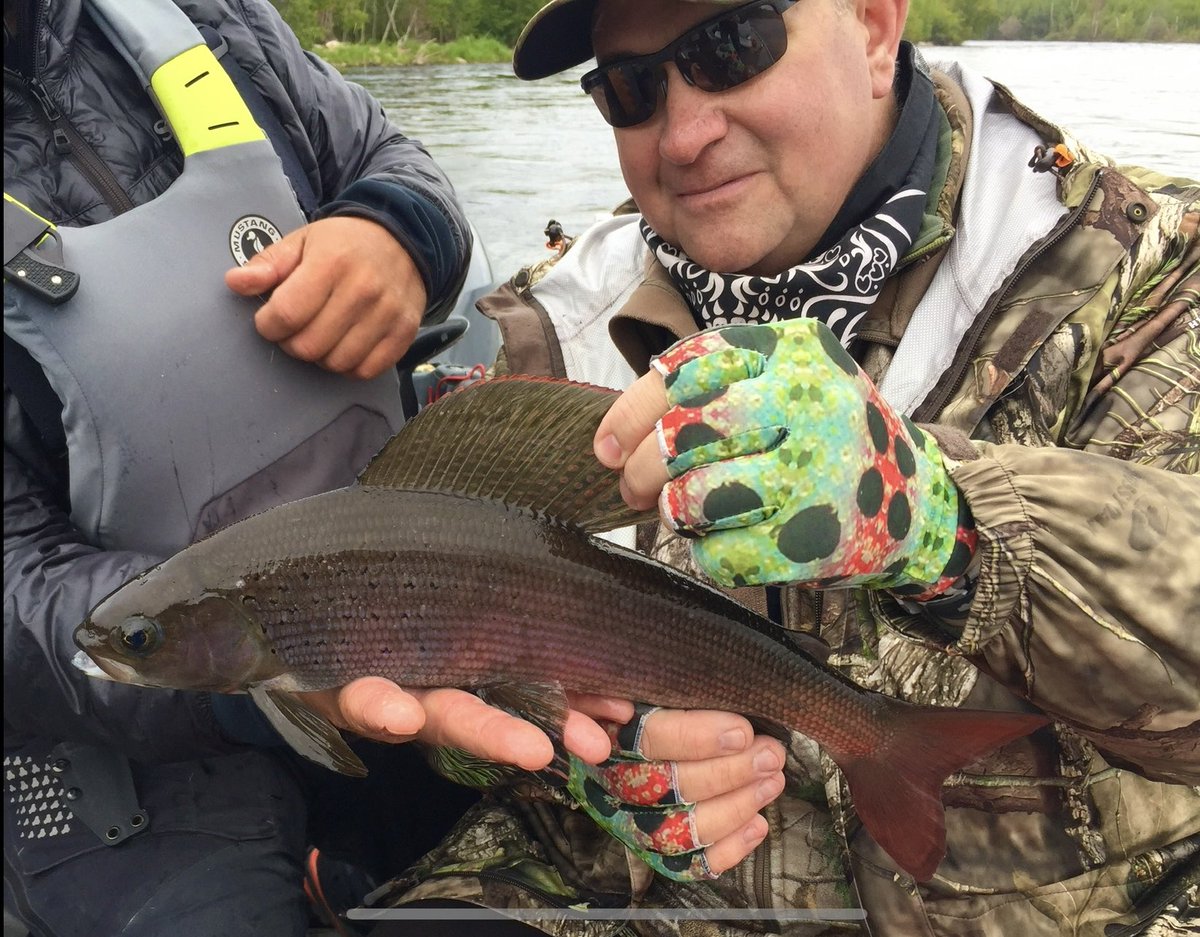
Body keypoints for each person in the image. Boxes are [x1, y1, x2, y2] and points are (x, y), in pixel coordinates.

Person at [359, 0, 1199, 934]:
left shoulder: (1151, 275)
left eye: (731, 48)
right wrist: (568, 756)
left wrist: (937, 519)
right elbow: (468, 712)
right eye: (630, 90)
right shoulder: (549, 333)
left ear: (876, 29)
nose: (684, 134)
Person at [2, 0, 492, 933]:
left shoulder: (210, 15)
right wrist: (242, 671)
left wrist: (398, 232)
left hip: (425, 587)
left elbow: (386, 154)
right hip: (127, 737)